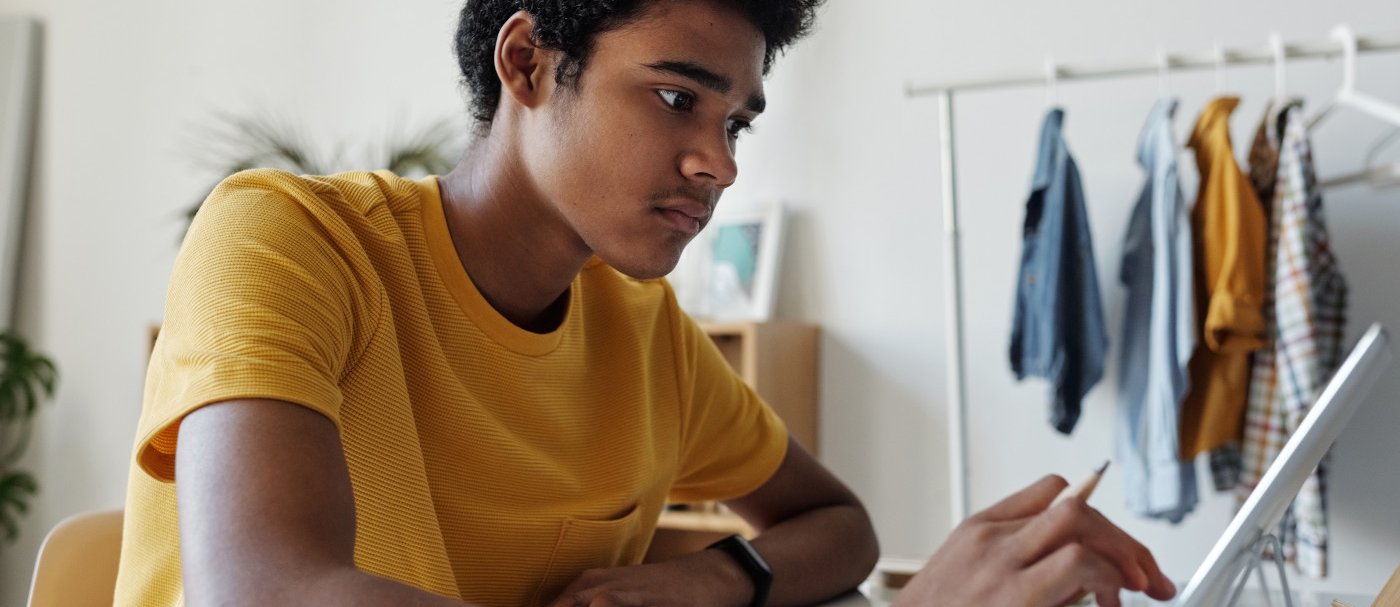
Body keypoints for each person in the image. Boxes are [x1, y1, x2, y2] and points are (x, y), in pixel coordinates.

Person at [113, 1, 1178, 606]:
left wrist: (708, 583)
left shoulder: (638, 326)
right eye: (676, 98)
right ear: (527, 63)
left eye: (736, 123)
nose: (716, 163)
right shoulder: (293, 238)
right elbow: (267, 593)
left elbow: (835, 525)